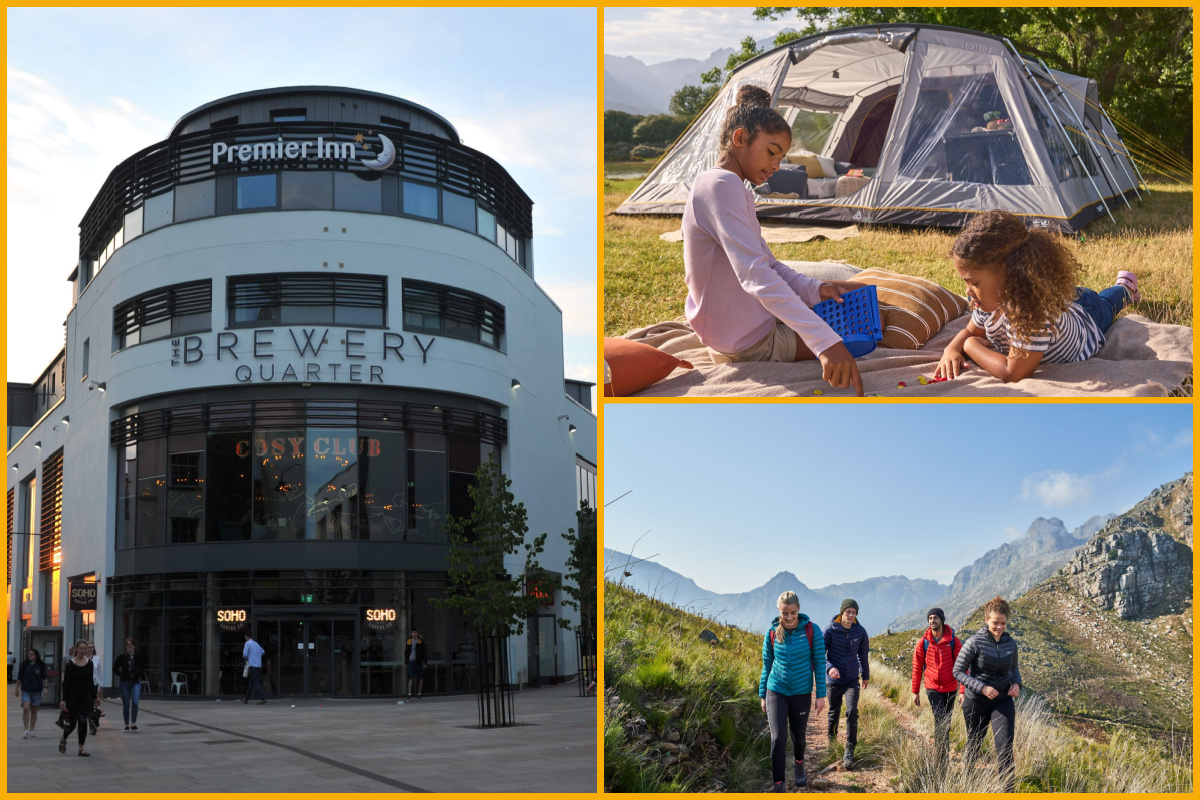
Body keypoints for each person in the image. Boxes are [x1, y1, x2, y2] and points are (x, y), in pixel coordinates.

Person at [683, 84, 865, 396]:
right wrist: (826, 343)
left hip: (744, 326)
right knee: (865, 333)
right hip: (746, 343)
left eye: (780, 157)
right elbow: (756, 276)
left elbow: (768, 264)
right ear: (739, 138)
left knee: (853, 298)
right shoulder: (721, 186)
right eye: (771, 152)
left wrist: (815, 288)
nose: (776, 166)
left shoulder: (729, 186)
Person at [936, 210, 1139, 383]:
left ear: (1009, 272)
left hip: (1087, 316)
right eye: (965, 282)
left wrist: (969, 346)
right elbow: (970, 330)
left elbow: (1013, 373)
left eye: (974, 282)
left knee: (1107, 303)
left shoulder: (1033, 314)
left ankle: (1125, 287)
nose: (967, 291)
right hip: (1062, 306)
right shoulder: (987, 302)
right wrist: (951, 349)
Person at [759, 590, 827, 792]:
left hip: (801, 692)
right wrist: (763, 695)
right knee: (778, 737)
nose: (789, 617)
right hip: (776, 690)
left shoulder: (811, 631)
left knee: (798, 737)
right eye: (784, 613)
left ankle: (799, 763)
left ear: (799, 610)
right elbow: (767, 665)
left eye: (793, 613)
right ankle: (778, 784)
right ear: (779, 612)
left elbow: (820, 663)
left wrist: (821, 695)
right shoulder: (772, 632)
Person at [953, 596, 1022, 791]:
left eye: (1003, 623)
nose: (999, 627)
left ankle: (1008, 791)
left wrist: (1017, 684)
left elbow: (1014, 669)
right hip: (976, 702)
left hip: (1003, 702)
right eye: (995, 623)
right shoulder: (974, 642)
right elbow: (957, 671)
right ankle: (968, 782)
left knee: (1005, 748)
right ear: (986, 620)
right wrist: (981, 687)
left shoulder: (1011, 644)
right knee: (974, 744)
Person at [910, 607, 963, 766]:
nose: (932, 621)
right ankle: (941, 760)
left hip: (951, 687)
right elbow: (917, 667)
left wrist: (962, 690)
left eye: (935, 618)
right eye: (930, 618)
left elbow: (963, 666)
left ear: (942, 620)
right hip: (932, 687)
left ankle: (942, 751)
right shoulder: (923, 642)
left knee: (946, 721)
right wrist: (915, 692)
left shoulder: (954, 640)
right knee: (940, 719)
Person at [824, 599, 870, 770]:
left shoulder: (860, 631)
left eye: (854, 612)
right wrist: (829, 669)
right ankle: (831, 740)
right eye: (848, 612)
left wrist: (865, 676)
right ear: (842, 612)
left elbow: (863, 656)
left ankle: (850, 749)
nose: (851, 615)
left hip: (851, 679)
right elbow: (820, 654)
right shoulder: (830, 630)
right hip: (834, 679)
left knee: (852, 711)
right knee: (833, 712)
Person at [58, 638, 99, 756]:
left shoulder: (89, 664)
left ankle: (81, 748)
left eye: (85, 649)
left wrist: (95, 697)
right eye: (81, 648)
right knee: (71, 723)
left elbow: (90, 681)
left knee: (83, 721)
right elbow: (66, 683)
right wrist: (63, 699)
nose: (83, 651)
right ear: (76, 649)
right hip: (72, 697)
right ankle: (64, 738)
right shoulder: (70, 664)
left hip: (85, 697)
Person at [113, 638, 144, 731]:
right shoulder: (121, 657)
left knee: (135, 702)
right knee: (126, 703)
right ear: (126, 646)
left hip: (135, 683)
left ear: (134, 646)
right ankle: (126, 724)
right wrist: (121, 674)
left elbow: (143, 669)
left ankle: (133, 723)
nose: (129, 646)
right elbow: (115, 668)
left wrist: (138, 675)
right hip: (124, 683)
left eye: (131, 644)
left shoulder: (138, 657)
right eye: (128, 644)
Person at [15, 648, 48, 738]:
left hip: (37, 690)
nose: (30, 655)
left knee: (34, 710)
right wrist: (17, 688)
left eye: (32, 654)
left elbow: (45, 677)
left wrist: (45, 687)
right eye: (29, 654)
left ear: (36, 656)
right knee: (26, 708)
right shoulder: (24, 665)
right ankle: (26, 729)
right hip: (26, 689)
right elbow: (19, 677)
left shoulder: (41, 665)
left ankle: (32, 729)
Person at [241, 631, 267, 705]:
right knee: (252, 682)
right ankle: (246, 698)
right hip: (258, 665)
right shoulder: (256, 644)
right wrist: (256, 656)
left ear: (246, 637)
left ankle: (262, 697)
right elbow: (263, 651)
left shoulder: (247, 643)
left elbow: (245, 654)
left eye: (245, 637)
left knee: (256, 681)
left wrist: (248, 658)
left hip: (252, 664)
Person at [86, 641, 104, 734]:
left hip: (94, 684)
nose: (90, 649)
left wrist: (101, 686)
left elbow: (100, 673)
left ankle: (92, 723)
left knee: (93, 705)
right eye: (88, 647)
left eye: (91, 647)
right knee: (87, 704)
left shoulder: (97, 659)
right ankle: (87, 722)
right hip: (84, 685)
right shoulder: (83, 658)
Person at [406, 629, 427, 699]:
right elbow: (406, 652)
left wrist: (424, 662)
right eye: (413, 632)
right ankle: (409, 694)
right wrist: (407, 661)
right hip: (411, 661)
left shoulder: (420, 642)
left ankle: (419, 693)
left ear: (417, 633)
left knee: (420, 678)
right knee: (411, 678)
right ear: (411, 633)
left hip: (418, 661)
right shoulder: (408, 641)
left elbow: (424, 653)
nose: (414, 634)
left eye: (415, 632)